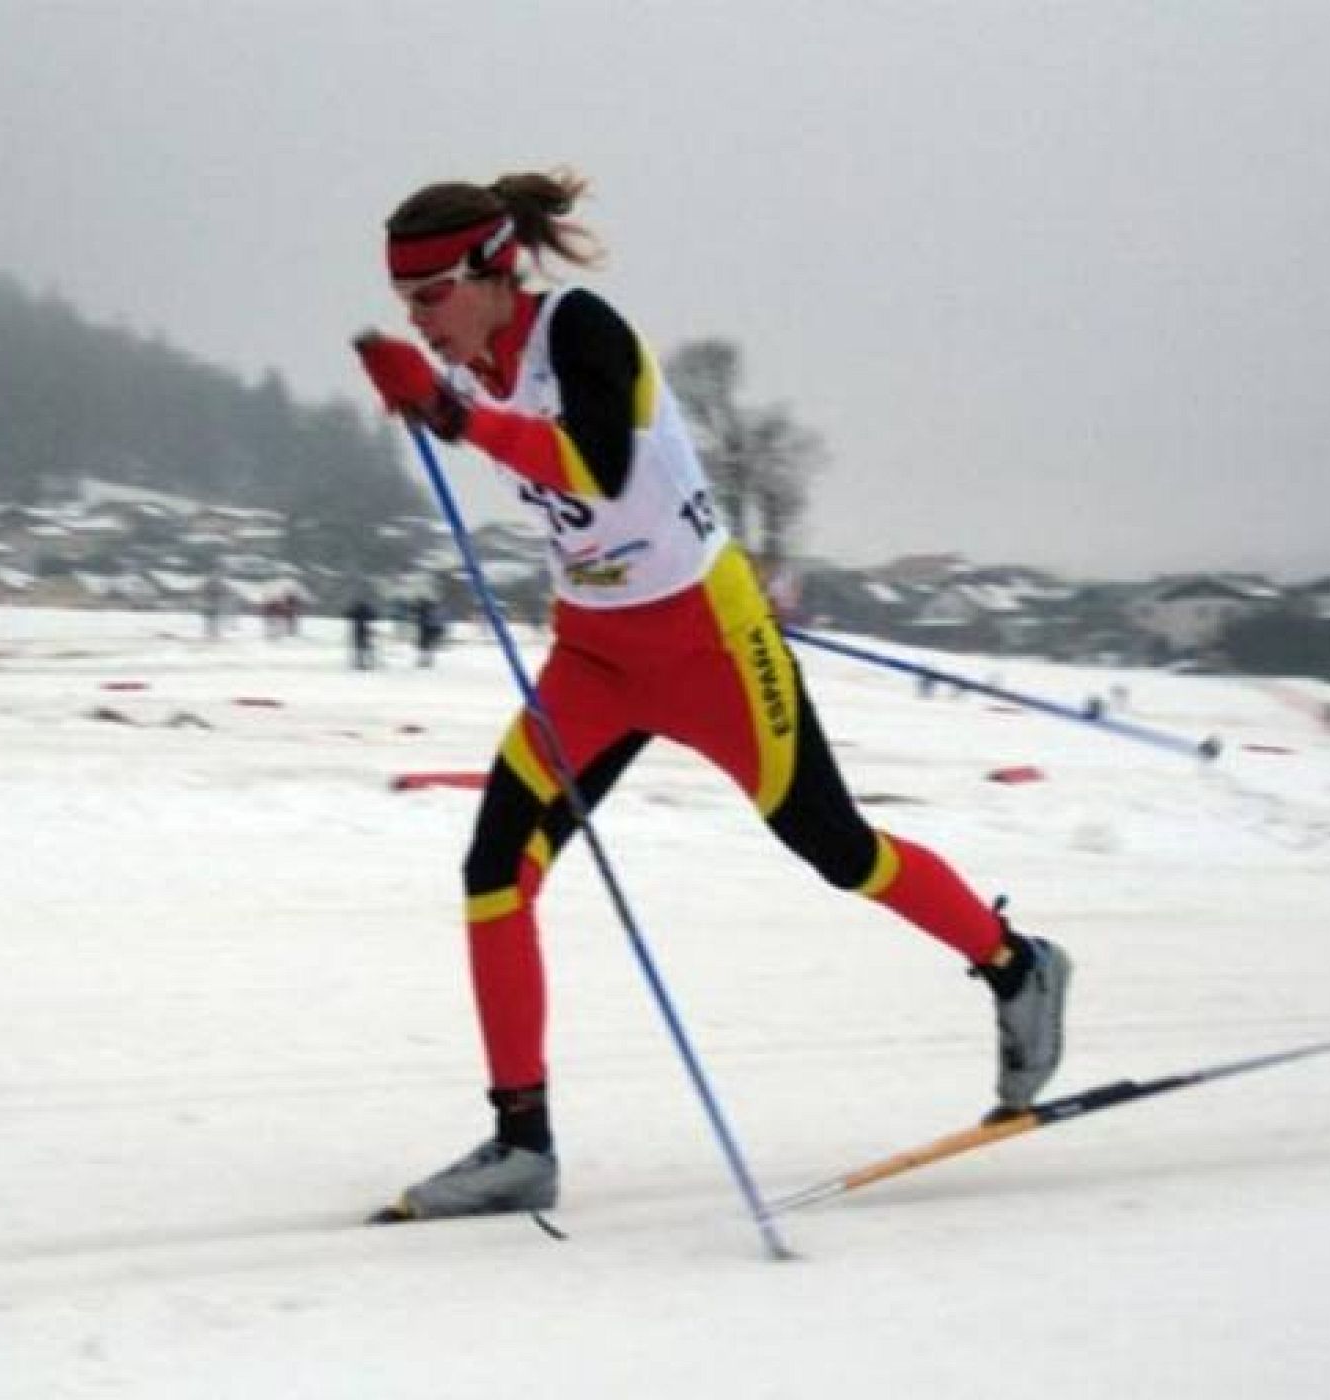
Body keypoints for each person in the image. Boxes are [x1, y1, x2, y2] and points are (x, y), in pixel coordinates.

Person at [354, 169, 1072, 1222]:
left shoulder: (582, 330)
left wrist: (454, 415)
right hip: (593, 659)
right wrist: (448, 406)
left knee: (840, 848)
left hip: (710, 644)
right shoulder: (479, 369)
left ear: (493, 269)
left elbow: (594, 467)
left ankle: (1016, 965)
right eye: (403, 305)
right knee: (495, 867)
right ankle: (521, 1141)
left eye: (429, 298)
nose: (416, 325)